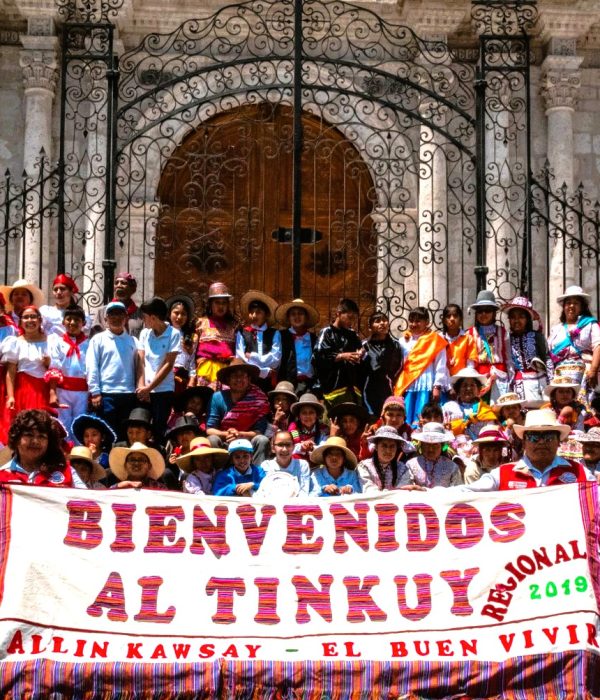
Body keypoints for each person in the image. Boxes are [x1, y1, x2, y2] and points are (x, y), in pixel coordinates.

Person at [463, 409, 595, 490]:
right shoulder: (501, 475)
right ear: (524, 442)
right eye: (533, 437)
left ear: (558, 442)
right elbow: (468, 491)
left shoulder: (579, 472)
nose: (541, 442)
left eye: (548, 437)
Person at [86, 301, 141, 440]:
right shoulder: (98, 340)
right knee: (108, 433)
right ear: (105, 319)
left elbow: (139, 367)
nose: (116, 318)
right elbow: (92, 365)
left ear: (126, 318)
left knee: (124, 434)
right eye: (112, 315)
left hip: (128, 394)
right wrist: (95, 392)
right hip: (106, 394)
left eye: (120, 314)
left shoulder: (133, 341)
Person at [206, 359, 271, 465]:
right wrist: (227, 434)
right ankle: (217, 477)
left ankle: (259, 477)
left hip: (248, 444)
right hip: (225, 442)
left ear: (249, 379)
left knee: (262, 440)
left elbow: (259, 431)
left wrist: (239, 434)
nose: (239, 379)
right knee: (212, 439)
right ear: (228, 379)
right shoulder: (217, 397)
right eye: (235, 376)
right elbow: (210, 429)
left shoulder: (258, 399)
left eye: (243, 376)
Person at [393, 307, 448, 428]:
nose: (414, 324)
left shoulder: (436, 340)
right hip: (409, 384)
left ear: (427, 322)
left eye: (418, 321)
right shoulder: (403, 341)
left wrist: (437, 385)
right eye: (411, 321)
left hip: (428, 384)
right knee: (407, 416)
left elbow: (441, 364)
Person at [0, 409, 85, 487]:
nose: (35, 441)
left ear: (49, 442)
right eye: (29, 435)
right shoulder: (2, 475)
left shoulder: (67, 471)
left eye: (42, 436)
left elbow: (87, 501)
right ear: (17, 439)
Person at [137, 296, 181, 441]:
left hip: (163, 390)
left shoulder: (173, 334)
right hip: (144, 390)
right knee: (141, 426)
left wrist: (150, 388)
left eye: (145, 317)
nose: (144, 320)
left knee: (158, 429)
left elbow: (169, 364)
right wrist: (142, 387)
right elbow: (141, 360)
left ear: (153, 317)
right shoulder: (144, 333)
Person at [3, 305, 53, 424]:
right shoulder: (15, 342)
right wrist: (10, 396)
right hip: (23, 389)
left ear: (40, 320)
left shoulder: (51, 341)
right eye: (26, 317)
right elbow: (11, 372)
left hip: (44, 389)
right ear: (20, 322)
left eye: (33, 317)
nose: (30, 320)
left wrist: (48, 363)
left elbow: (58, 369)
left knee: (42, 424)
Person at [47, 305, 89, 441]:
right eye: (69, 319)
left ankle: (78, 454)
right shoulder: (58, 343)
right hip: (63, 390)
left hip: (82, 391)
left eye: (77, 320)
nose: (72, 323)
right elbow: (54, 367)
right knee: (63, 422)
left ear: (84, 323)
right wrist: (53, 393)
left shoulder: (89, 344)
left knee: (79, 422)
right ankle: (64, 453)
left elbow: (92, 369)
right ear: (63, 322)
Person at [547, 285, 600, 395]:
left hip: (585, 374)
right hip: (560, 376)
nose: (571, 306)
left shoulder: (590, 325)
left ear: (582, 306)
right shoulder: (556, 329)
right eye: (568, 303)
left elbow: (598, 346)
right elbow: (549, 353)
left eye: (576, 303)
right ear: (564, 307)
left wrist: (594, 370)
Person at [312, 298, 363, 409]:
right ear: (338, 314)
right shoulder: (327, 332)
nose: (351, 322)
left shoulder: (353, 335)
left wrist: (360, 354)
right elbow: (318, 358)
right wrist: (341, 356)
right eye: (349, 317)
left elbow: (360, 352)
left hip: (351, 388)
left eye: (354, 319)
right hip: (332, 389)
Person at [466, 290, 513, 402]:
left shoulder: (502, 332)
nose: (483, 314)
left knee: (500, 409)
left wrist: (511, 377)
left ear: (493, 313)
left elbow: (508, 357)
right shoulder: (470, 333)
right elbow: (470, 360)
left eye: (487, 311)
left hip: (500, 377)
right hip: (480, 378)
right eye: (480, 311)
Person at [501, 296, 549, 404]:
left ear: (527, 319)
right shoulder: (506, 339)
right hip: (517, 383)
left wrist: (550, 383)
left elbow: (547, 359)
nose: (517, 320)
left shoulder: (537, 337)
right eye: (513, 317)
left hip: (538, 381)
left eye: (521, 317)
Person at [236, 290, 281, 393]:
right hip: (248, 380)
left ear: (267, 314)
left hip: (269, 382)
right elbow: (241, 358)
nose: (254, 315)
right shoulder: (242, 333)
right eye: (252, 312)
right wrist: (264, 371)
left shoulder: (275, 334)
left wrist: (253, 356)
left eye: (259, 312)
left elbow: (275, 360)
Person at [361, 311, 403, 419]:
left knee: (387, 415)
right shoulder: (364, 346)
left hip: (388, 386)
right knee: (370, 416)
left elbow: (399, 366)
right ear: (370, 327)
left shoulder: (395, 345)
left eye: (384, 320)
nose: (382, 323)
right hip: (368, 386)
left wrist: (392, 380)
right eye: (377, 321)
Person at [195, 282, 237, 388]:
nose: (221, 306)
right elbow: (192, 352)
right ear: (210, 304)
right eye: (217, 302)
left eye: (224, 303)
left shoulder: (233, 326)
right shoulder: (200, 323)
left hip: (226, 373)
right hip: (205, 372)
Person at [275, 298, 319, 395]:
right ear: (288, 317)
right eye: (293, 314)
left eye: (300, 314)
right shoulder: (280, 336)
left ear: (306, 317)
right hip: (287, 384)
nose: (297, 317)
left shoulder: (314, 338)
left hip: (310, 385)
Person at [442, 367, 497, 439]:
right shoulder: (448, 407)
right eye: (464, 385)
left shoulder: (485, 410)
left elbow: (491, 434)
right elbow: (443, 431)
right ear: (458, 389)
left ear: (478, 389)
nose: (468, 388)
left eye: (472, 385)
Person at [357, 426, 413, 492]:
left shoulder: (403, 469)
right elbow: (368, 489)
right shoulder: (364, 466)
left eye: (392, 446)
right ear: (376, 447)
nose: (388, 451)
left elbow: (403, 491)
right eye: (384, 445)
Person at [406, 422, 463, 487]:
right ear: (421, 445)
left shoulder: (452, 467)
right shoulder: (411, 465)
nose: (431, 449)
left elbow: (457, 490)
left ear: (441, 445)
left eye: (435, 444)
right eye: (427, 444)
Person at [92, 271, 144, 338]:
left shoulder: (141, 315)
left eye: (123, 283)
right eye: (116, 283)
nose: (119, 285)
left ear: (133, 289)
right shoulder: (101, 312)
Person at [261, 430, 311, 496]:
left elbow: (304, 493)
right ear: (273, 448)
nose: (284, 449)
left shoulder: (302, 465)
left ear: (293, 447)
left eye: (288, 445)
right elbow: (265, 492)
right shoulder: (266, 466)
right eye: (280, 445)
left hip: (297, 504)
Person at [440, 304, 477, 387]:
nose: (452, 319)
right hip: (443, 383)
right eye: (448, 316)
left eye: (455, 316)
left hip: (462, 384)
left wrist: (462, 384)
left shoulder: (468, 339)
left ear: (461, 320)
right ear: (444, 321)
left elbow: (470, 365)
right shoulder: (439, 339)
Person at [166, 294, 197, 393]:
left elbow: (192, 361)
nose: (179, 317)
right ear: (169, 314)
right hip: (166, 377)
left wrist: (192, 379)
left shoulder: (190, 337)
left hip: (183, 379)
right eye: (176, 313)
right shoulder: (164, 334)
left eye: (183, 314)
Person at [288, 392, 328, 461]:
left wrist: (312, 447)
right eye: (304, 413)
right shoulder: (294, 428)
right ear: (299, 416)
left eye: (311, 412)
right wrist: (302, 447)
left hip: (317, 463)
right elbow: (293, 445)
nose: (308, 416)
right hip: (298, 462)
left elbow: (324, 446)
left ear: (316, 415)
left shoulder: (324, 429)